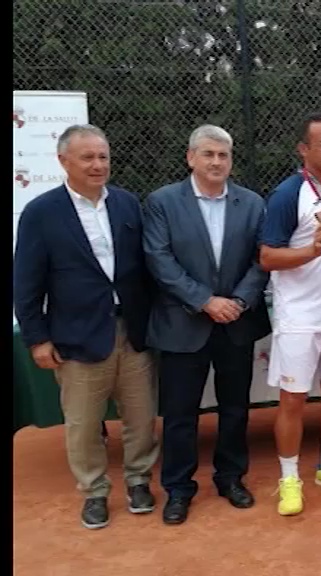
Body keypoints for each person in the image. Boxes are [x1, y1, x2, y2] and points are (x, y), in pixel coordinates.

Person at [14, 124, 158, 529]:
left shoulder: (129, 205)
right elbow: (26, 282)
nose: (98, 165)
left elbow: (144, 270)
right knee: (81, 425)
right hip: (76, 337)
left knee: (142, 416)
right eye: (87, 157)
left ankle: (139, 481)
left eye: (103, 157)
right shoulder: (41, 213)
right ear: (64, 161)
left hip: (132, 331)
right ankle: (94, 491)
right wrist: (37, 338)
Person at [142, 124, 271, 524]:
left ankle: (231, 477)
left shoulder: (252, 203)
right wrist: (204, 301)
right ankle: (178, 489)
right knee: (180, 414)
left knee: (236, 408)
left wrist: (238, 301)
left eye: (224, 155)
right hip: (183, 324)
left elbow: (260, 259)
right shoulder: (162, 202)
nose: (217, 162)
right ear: (191, 158)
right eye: (209, 154)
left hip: (236, 322)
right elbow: (159, 260)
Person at [260, 113, 321, 516]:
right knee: (293, 399)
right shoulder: (287, 195)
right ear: (304, 150)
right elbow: (266, 256)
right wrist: (311, 251)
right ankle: (288, 478)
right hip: (300, 316)